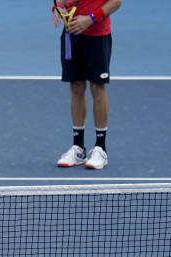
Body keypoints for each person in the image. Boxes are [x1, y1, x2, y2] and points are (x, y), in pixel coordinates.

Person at [53, 0, 122, 170]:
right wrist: (57, 8)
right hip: (72, 34)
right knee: (76, 87)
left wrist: (91, 18)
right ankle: (78, 148)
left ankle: (100, 148)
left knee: (97, 87)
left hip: (98, 35)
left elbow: (116, 2)